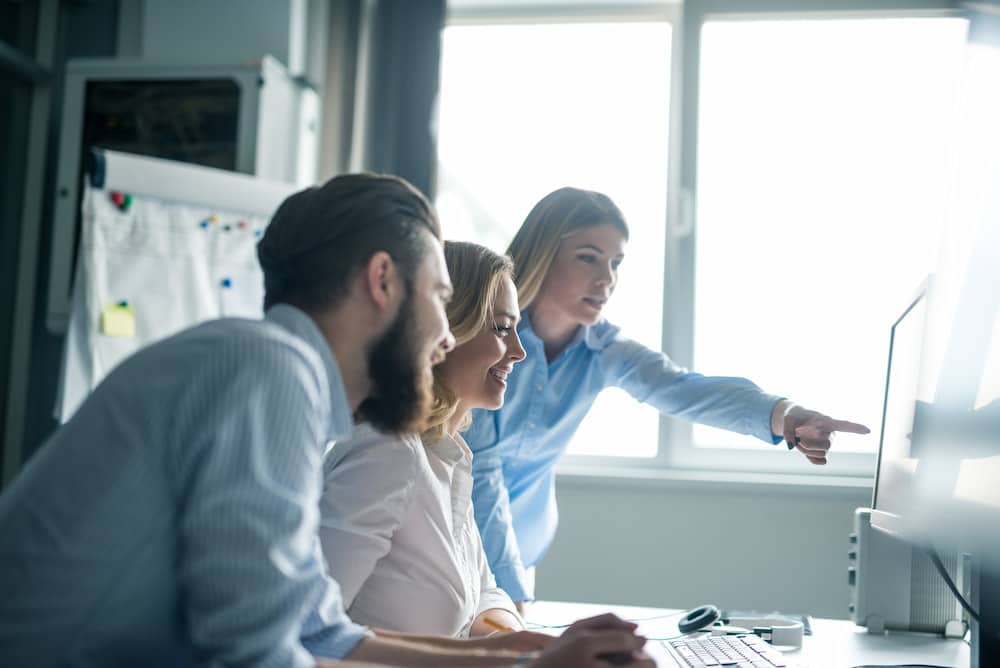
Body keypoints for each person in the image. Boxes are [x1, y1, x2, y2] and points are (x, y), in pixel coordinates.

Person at [0, 175, 652, 668]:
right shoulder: (269, 371)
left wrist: (525, 660)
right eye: (440, 299)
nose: (446, 340)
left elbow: (322, 632)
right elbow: (256, 653)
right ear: (382, 281)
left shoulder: (286, 383)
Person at [465, 186, 872, 609]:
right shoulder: (486, 339)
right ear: (544, 253)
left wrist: (785, 415)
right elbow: (482, 472)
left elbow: (685, 389)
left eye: (615, 263)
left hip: (522, 555)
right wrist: (512, 594)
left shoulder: (605, 350)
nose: (607, 280)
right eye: (588, 257)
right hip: (463, 546)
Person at [318, 241, 528, 639]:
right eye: (501, 328)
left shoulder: (446, 455)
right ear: (444, 330)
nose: (518, 351)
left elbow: (484, 591)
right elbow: (311, 631)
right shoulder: (387, 453)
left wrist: (520, 647)